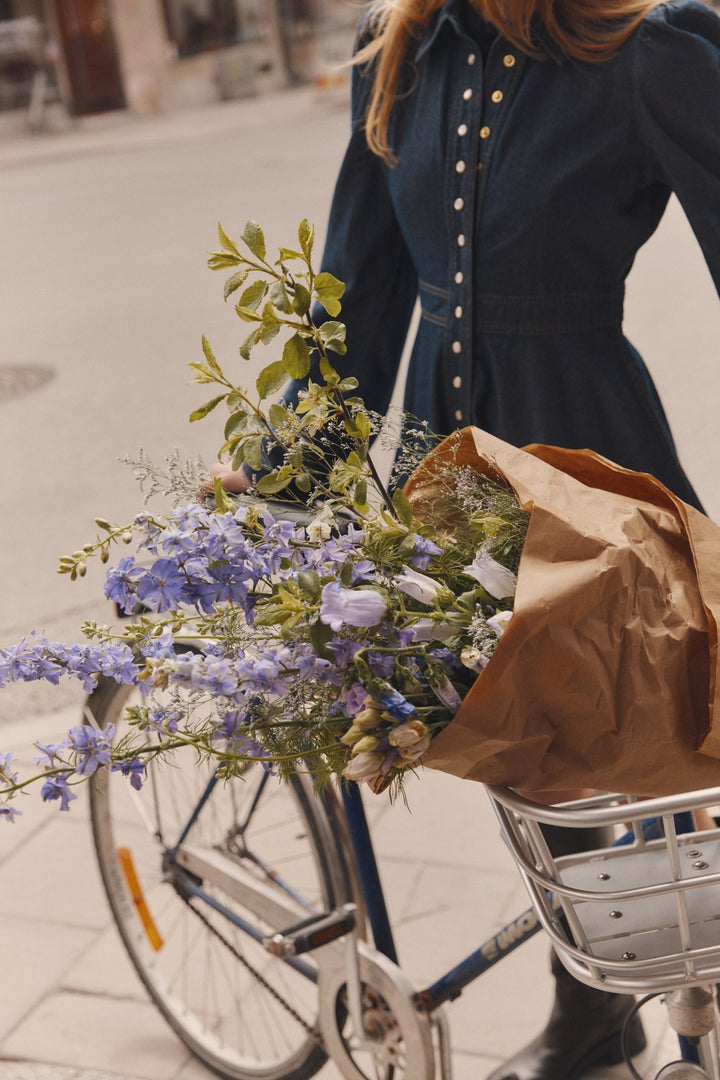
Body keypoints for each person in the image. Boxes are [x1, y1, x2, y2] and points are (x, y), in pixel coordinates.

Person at [214, 1, 720, 1076]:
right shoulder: (393, 46)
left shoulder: (644, 50)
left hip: (587, 461)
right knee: (523, 760)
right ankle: (593, 1014)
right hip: (442, 471)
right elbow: (356, 298)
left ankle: (617, 1010)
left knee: (620, 749)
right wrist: (282, 482)